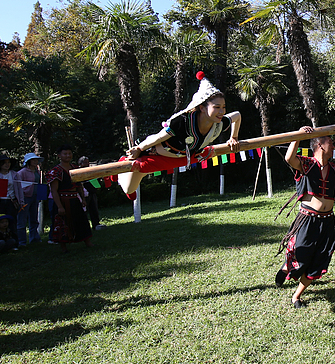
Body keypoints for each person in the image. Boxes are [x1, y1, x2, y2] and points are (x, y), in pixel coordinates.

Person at [116, 71, 241, 200]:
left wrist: (234, 138)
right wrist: (138, 149)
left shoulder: (219, 122)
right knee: (129, 189)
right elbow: (158, 137)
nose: (222, 111)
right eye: (217, 107)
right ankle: (123, 163)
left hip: (184, 157)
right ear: (202, 108)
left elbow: (237, 115)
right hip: (155, 155)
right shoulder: (182, 121)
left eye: (224, 107)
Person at [276, 126, 335, 308]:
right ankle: (287, 267)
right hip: (307, 219)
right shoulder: (307, 163)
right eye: (331, 142)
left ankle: (296, 296)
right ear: (320, 144)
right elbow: (289, 158)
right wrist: (298, 135)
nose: (334, 145)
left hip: (327, 221)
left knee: (319, 260)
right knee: (301, 256)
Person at [46, 145, 92, 252]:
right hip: (62, 200)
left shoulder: (75, 168)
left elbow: (79, 185)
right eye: (65, 154)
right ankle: (63, 247)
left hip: (75, 199)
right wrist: (59, 206)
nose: (68, 156)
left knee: (81, 220)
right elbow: (54, 191)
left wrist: (83, 199)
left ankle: (87, 242)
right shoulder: (56, 171)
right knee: (62, 223)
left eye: (69, 153)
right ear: (59, 156)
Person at [0, 154, 24, 240]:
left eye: (8, 162)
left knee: (12, 222)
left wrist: (21, 201)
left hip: (11, 201)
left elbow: (19, 189)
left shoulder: (14, 175)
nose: (7, 165)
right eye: (4, 163)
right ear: (0, 165)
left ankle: (14, 242)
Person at [16, 153, 44, 244]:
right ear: (29, 161)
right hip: (25, 198)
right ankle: (22, 241)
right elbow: (18, 186)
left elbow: (39, 183)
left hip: (35, 197)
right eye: (34, 160)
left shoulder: (37, 171)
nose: (36, 162)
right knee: (22, 220)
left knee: (34, 219)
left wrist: (41, 195)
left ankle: (34, 239)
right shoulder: (22, 172)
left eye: (37, 160)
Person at [78, 156, 106, 231]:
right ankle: (84, 226)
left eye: (88, 162)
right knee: (84, 210)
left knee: (94, 209)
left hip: (92, 192)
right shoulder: (78, 171)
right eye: (85, 162)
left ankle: (96, 224)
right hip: (84, 194)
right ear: (80, 164)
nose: (87, 164)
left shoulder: (91, 170)